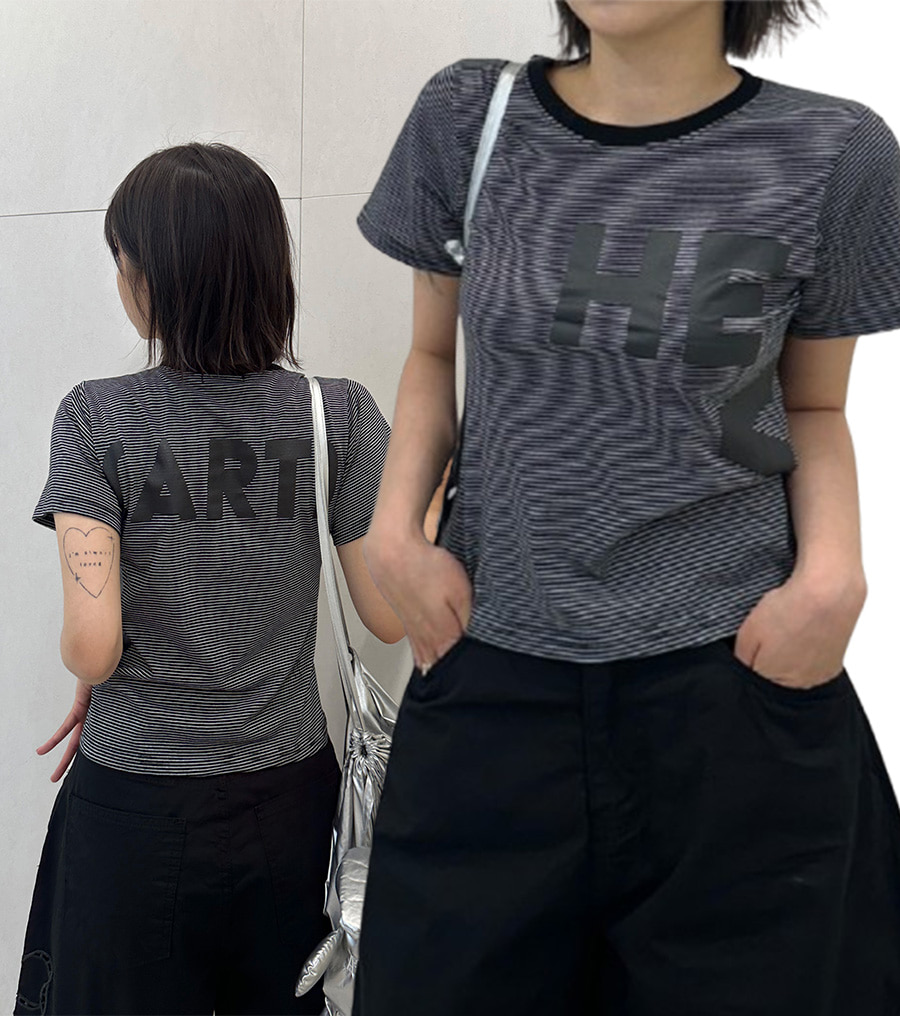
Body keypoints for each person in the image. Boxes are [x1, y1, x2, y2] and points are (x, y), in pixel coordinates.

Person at [351, 1, 900, 1013]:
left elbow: (814, 405)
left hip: (732, 694)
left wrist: (835, 573)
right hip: (494, 688)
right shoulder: (469, 118)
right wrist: (395, 529)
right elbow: (432, 354)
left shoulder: (835, 152)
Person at [14, 142, 406, 1016]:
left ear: (151, 278)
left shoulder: (96, 417)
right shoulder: (337, 413)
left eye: (122, 257)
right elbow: (386, 615)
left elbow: (95, 646)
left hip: (133, 804)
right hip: (288, 805)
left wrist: (92, 662)